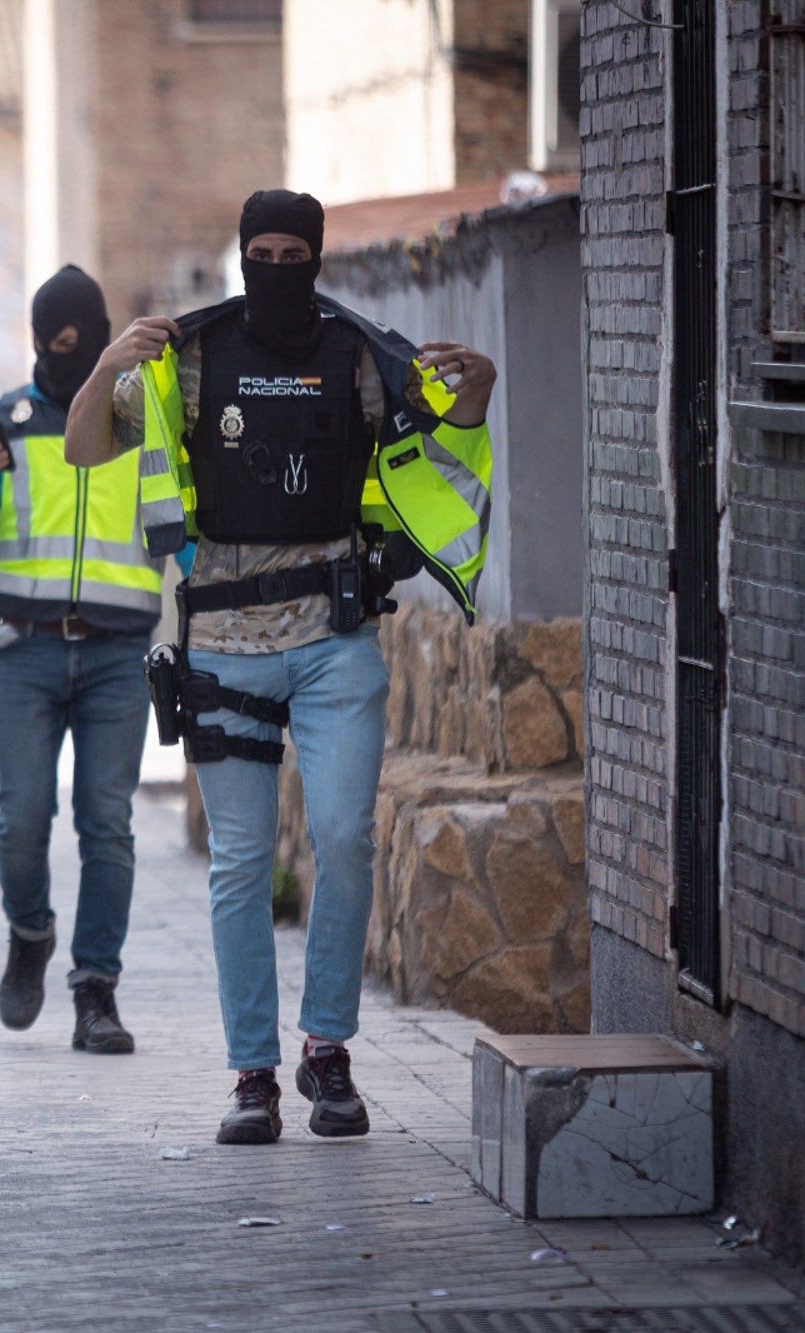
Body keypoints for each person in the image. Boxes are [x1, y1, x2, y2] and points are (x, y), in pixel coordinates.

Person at [64, 190, 496, 1143]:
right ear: (241, 256)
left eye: (293, 254)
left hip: (336, 642)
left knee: (344, 840)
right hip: (223, 648)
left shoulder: (359, 356)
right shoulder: (192, 357)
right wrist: (104, 366)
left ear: (317, 259)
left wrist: (480, 385)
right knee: (242, 863)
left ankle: (327, 1051)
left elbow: (445, 432)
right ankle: (252, 1074)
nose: (276, 268)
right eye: (260, 253)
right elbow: (83, 446)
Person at [0, 265, 164, 1054]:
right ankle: (29, 930)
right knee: (21, 819)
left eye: (77, 339)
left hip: (117, 654)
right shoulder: (10, 419)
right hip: (25, 652)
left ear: (101, 336)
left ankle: (96, 990)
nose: (63, 351)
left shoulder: (141, 421)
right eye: (50, 340)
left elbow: (183, 528)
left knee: (108, 825)